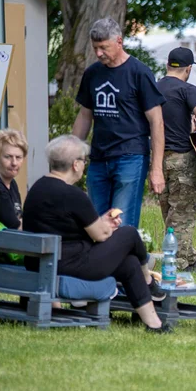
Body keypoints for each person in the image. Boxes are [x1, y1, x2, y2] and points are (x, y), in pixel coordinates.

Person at [23, 135, 169, 332]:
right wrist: (106, 226)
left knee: (129, 263)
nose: (84, 165)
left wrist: (102, 223)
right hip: (71, 265)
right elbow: (100, 236)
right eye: (84, 160)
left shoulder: (37, 188)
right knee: (129, 233)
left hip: (45, 262)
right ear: (75, 165)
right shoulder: (73, 195)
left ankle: (154, 324)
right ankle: (149, 281)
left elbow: (74, 227)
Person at [71, 17, 166, 229]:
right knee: (96, 224)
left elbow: (157, 122)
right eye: (95, 48)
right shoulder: (92, 74)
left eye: (103, 47)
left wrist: (156, 168)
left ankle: (127, 261)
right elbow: (85, 116)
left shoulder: (139, 73)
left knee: (121, 224)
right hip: (98, 158)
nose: (98, 53)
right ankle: (117, 262)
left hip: (130, 157)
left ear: (119, 41)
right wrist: (71, 153)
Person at [156, 47, 196, 272]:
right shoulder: (187, 89)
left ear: (168, 65)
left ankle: (188, 254)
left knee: (169, 211)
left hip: (158, 161)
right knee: (182, 212)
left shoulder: (154, 87)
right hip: (182, 159)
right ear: (189, 69)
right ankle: (179, 263)